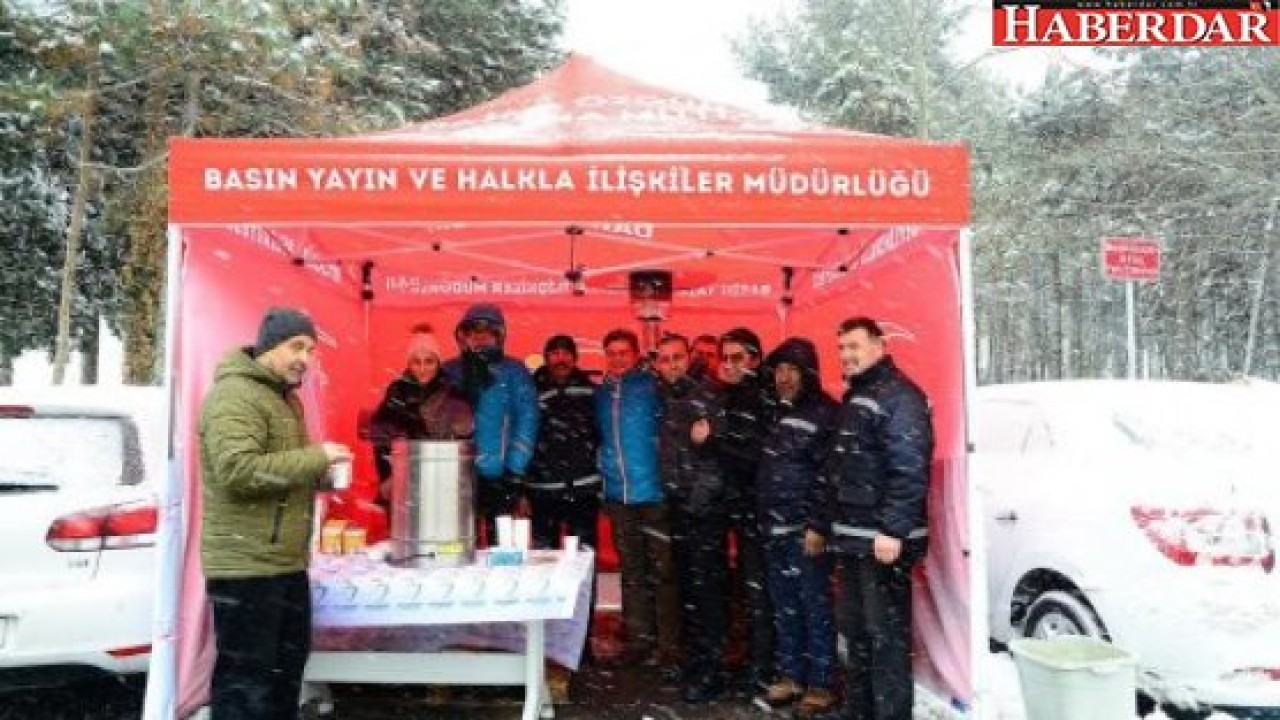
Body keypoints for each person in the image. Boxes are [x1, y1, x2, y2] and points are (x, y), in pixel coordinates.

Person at [198, 307, 352, 720]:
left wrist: (321, 475)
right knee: (247, 686)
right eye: (296, 347)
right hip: (246, 567)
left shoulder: (285, 400)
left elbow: (280, 470)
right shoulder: (234, 396)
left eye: (311, 350)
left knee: (284, 679)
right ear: (268, 346)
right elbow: (238, 471)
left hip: (285, 564)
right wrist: (315, 456)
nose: (305, 358)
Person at [808, 317, 933, 720]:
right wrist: (822, 524)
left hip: (881, 542)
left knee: (886, 639)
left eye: (854, 346)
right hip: (852, 540)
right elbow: (838, 469)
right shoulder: (857, 396)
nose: (846, 355)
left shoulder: (901, 397)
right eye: (841, 348)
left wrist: (893, 530)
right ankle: (858, 711)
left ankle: (891, 714)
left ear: (879, 347)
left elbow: (909, 468)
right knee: (857, 633)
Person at [757, 338, 839, 717]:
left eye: (791, 370)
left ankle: (822, 682)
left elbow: (830, 475)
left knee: (814, 606)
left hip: (805, 530)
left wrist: (818, 524)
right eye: (779, 370)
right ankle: (792, 675)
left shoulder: (826, 413)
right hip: (773, 528)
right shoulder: (774, 411)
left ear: (808, 373)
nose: (784, 377)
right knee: (784, 607)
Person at [594, 328, 680, 673]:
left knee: (664, 571)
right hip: (619, 495)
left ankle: (669, 645)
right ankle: (640, 641)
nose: (617, 359)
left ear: (635, 354)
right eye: (611, 353)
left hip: (654, 493)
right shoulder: (601, 393)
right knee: (631, 572)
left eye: (623, 352)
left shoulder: (652, 387)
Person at [654, 332, 731, 704]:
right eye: (665, 359)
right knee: (689, 590)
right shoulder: (669, 396)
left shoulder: (706, 395)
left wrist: (697, 502)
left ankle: (711, 669)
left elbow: (715, 460)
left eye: (677, 358)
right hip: (680, 506)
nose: (672, 365)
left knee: (707, 592)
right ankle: (697, 661)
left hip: (703, 510)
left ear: (689, 358)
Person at [706, 327, 775, 694]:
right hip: (736, 503)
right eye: (725, 358)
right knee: (743, 587)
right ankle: (751, 658)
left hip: (757, 506)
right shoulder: (730, 395)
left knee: (758, 588)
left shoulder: (762, 396)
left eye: (737, 358)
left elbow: (754, 455)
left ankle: (762, 666)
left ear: (755, 359)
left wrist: (712, 442)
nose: (729, 365)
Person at [441, 303, 539, 545]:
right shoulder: (449, 371)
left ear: (499, 335)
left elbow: (527, 421)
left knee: (502, 550)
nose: (481, 337)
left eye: (488, 331)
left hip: (500, 474)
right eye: (474, 331)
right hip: (457, 476)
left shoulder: (514, 371)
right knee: (460, 547)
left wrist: (514, 470)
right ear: (464, 336)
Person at [369, 323, 473, 508]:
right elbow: (381, 439)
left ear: (438, 362)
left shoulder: (453, 393)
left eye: (429, 361)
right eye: (416, 362)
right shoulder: (397, 392)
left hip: (444, 482)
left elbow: (464, 441)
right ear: (409, 364)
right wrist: (389, 476)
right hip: (405, 482)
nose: (423, 368)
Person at [526, 334, 601, 550]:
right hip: (542, 489)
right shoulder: (530, 392)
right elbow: (522, 438)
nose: (561, 359)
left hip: (583, 488)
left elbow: (602, 436)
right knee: (545, 559)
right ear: (546, 358)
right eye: (555, 353)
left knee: (583, 556)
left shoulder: (591, 391)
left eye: (566, 353)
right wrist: (522, 487)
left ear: (575, 358)